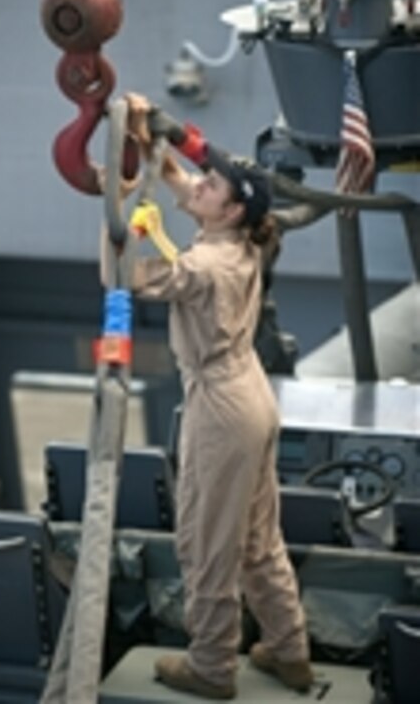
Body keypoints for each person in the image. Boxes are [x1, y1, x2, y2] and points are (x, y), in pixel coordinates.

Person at [122, 93, 314, 700]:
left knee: (206, 540)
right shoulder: (247, 239)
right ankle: (289, 651)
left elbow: (120, 275)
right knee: (258, 537)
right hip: (250, 392)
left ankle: (210, 665)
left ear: (230, 211)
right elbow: (186, 189)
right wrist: (151, 141)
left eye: (212, 186)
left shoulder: (205, 265)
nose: (199, 186)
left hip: (220, 406)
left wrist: (122, 223)